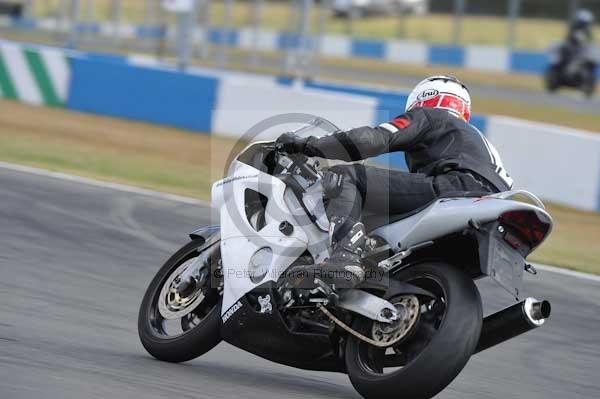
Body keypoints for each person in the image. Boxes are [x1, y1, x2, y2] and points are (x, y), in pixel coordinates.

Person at [277, 75, 513, 289]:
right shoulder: (479, 141)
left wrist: (307, 145)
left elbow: (369, 139)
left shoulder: (431, 116)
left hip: (455, 187)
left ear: (423, 99)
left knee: (347, 177)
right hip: (491, 205)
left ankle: (345, 257)